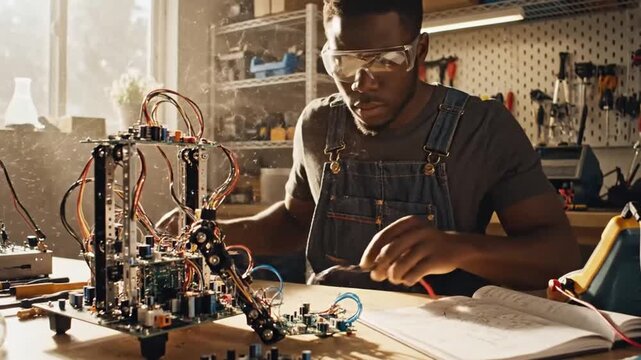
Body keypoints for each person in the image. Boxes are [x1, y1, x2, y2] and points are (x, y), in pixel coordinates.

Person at [160, 0, 580, 296]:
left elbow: (558, 256)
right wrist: (211, 234)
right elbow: (295, 222)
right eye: (343, 62)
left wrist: (458, 247)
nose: (362, 82)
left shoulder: (482, 128)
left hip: (443, 338)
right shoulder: (319, 124)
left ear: (420, 51)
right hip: (332, 331)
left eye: (385, 60)